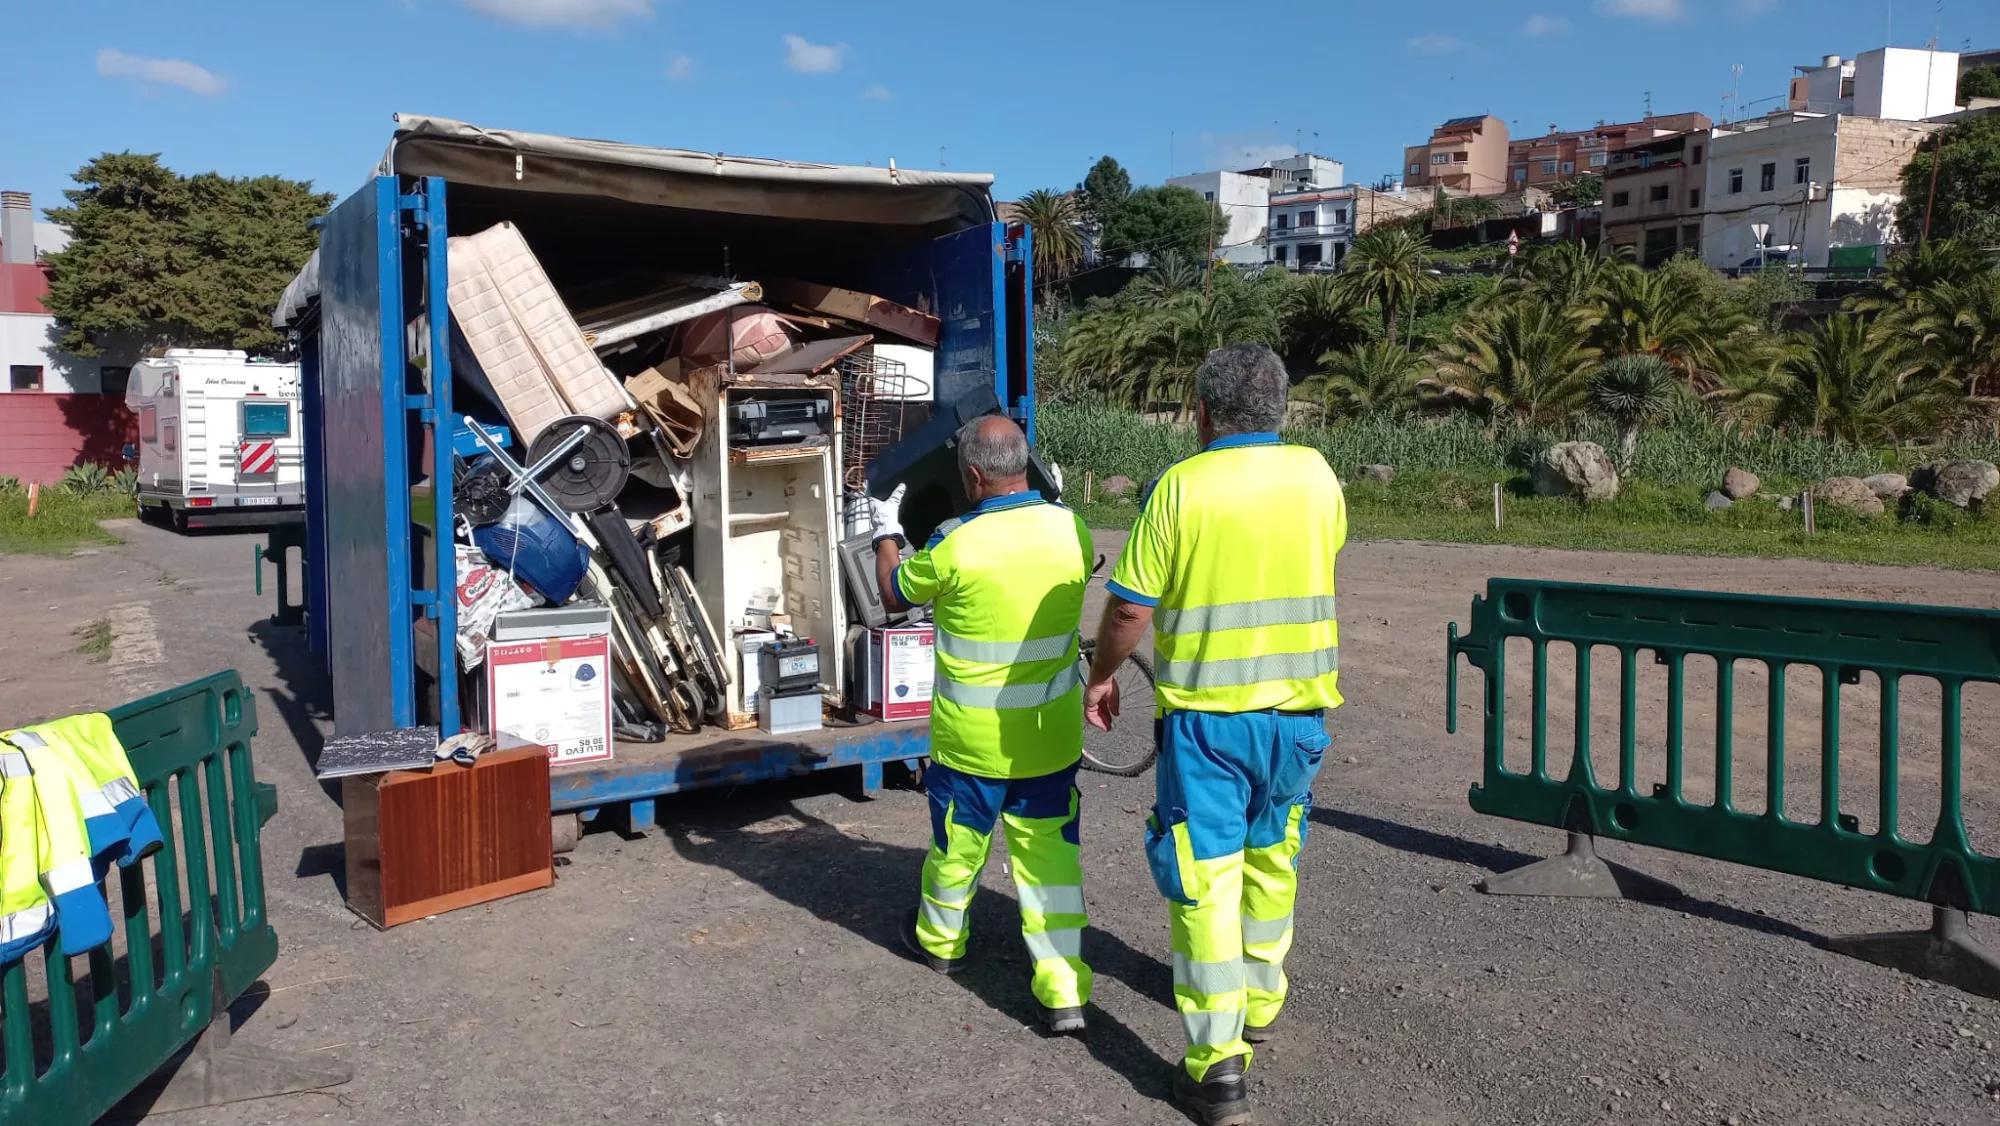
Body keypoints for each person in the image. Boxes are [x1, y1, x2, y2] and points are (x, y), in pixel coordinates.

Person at [1082, 343, 1347, 1126]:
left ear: (1201, 413)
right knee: (1273, 861)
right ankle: (1261, 1002)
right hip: (1298, 722)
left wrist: (1102, 676)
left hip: (1210, 727)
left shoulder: (1180, 487)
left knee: (1204, 881)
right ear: (1282, 409)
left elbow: (1130, 609)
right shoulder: (1318, 477)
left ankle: (1215, 1064)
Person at [873, 415, 1097, 1035]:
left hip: (971, 745)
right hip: (1050, 740)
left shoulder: (955, 546)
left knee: (957, 848)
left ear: (971, 475)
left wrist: (885, 531)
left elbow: (895, 593)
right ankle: (1063, 992)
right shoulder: (1072, 530)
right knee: (1050, 860)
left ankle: (940, 945)